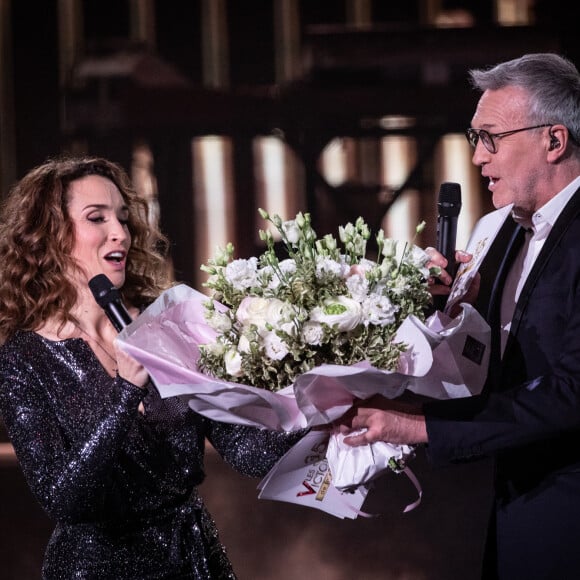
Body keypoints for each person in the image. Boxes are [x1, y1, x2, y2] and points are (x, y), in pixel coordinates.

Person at [0, 156, 305, 579]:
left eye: (123, 219)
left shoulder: (169, 324)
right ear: (49, 234)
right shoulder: (25, 357)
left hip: (195, 560)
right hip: (98, 569)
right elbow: (64, 497)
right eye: (97, 218)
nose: (119, 233)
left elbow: (246, 451)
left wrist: (320, 406)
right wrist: (125, 390)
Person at [340, 52, 580, 580]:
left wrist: (419, 427)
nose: (477, 158)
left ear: (554, 140)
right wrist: (434, 317)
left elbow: (569, 394)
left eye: (491, 138)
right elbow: (484, 373)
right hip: (508, 508)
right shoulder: (501, 231)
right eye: (475, 139)